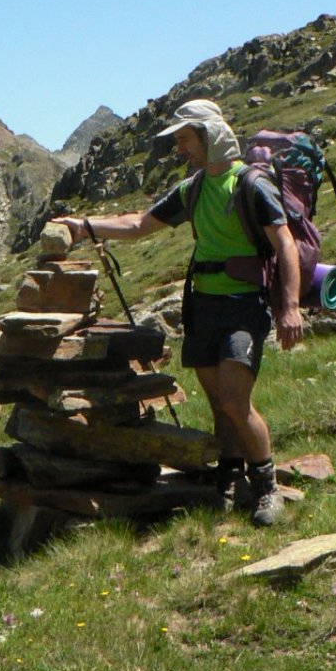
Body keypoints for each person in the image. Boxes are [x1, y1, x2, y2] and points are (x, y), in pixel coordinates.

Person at [51, 98, 302, 526]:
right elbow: (138, 225)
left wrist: (291, 308)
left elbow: (285, 244)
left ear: (209, 136)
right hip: (202, 305)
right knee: (217, 401)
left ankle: (266, 488)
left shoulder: (251, 185)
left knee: (235, 401)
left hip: (243, 305)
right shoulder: (193, 188)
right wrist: (86, 225)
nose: (180, 148)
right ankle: (227, 477)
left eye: (185, 139)